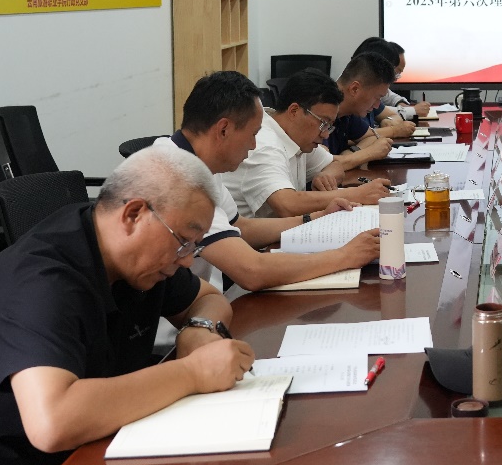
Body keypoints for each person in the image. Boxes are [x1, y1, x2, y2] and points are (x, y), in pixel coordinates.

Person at [0, 146, 255, 465]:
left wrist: (199, 330)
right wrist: (191, 373)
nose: (188, 259)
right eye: (184, 241)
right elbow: (52, 422)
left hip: (70, 448)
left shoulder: (140, 257)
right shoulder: (44, 280)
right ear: (134, 214)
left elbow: (208, 298)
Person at [157, 71, 380, 291]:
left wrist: (316, 217)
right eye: (252, 134)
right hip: (190, 303)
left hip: (205, 293)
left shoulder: (196, 163)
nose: (254, 145)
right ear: (223, 129)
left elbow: (241, 228)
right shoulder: (180, 179)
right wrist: (345, 256)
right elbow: (251, 271)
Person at [223, 67, 391, 218]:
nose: (325, 134)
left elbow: (335, 165)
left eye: (329, 126)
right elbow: (286, 204)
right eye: (323, 123)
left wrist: (326, 176)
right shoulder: (265, 145)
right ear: (294, 111)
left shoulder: (296, 138)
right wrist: (356, 194)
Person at [323, 51, 398, 170]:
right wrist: (368, 153)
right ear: (354, 89)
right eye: (377, 97)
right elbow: (323, 167)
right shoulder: (318, 111)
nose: (377, 106)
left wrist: (351, 154)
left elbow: (373, 137)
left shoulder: (348, 112)